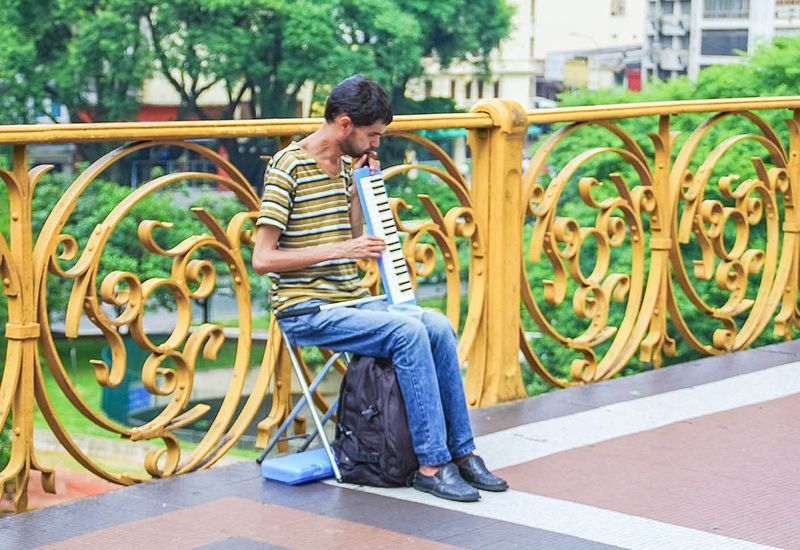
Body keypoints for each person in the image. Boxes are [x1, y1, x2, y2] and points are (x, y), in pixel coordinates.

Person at [252, 75, 508, 502]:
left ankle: (462, 453)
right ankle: (431, 464)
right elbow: (263, 259)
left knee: (437, 324)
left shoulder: (344, 166)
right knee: (407, 333)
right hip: (305, 309)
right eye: (372, 136)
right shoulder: (287, 168)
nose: (375, 145)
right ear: (346, 124)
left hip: (350, 299)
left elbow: (352, 235)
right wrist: (343, 247)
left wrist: (361, 187)